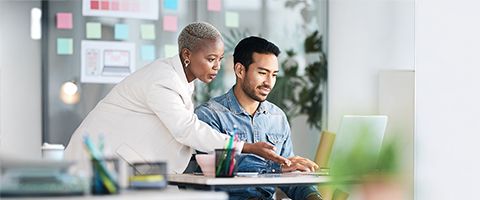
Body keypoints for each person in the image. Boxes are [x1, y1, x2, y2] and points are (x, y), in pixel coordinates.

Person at [64, 22, 290, 175]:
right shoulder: (163, 79)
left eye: (220, 59)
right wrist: (247, 147)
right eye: (211, 59)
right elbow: (186, 129)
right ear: (187, 55)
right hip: (94, 161)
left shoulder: (180, 80)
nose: (217, 67)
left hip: (121, 163)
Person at [195, 36, 322, 200]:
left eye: (274, 75)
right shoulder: (210, 115)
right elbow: (218, 171)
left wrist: (313, 196)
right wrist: (276, 167)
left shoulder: (277, 117)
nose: (269, 83)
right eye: (262, 73)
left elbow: (290, 174)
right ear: (240, 70)